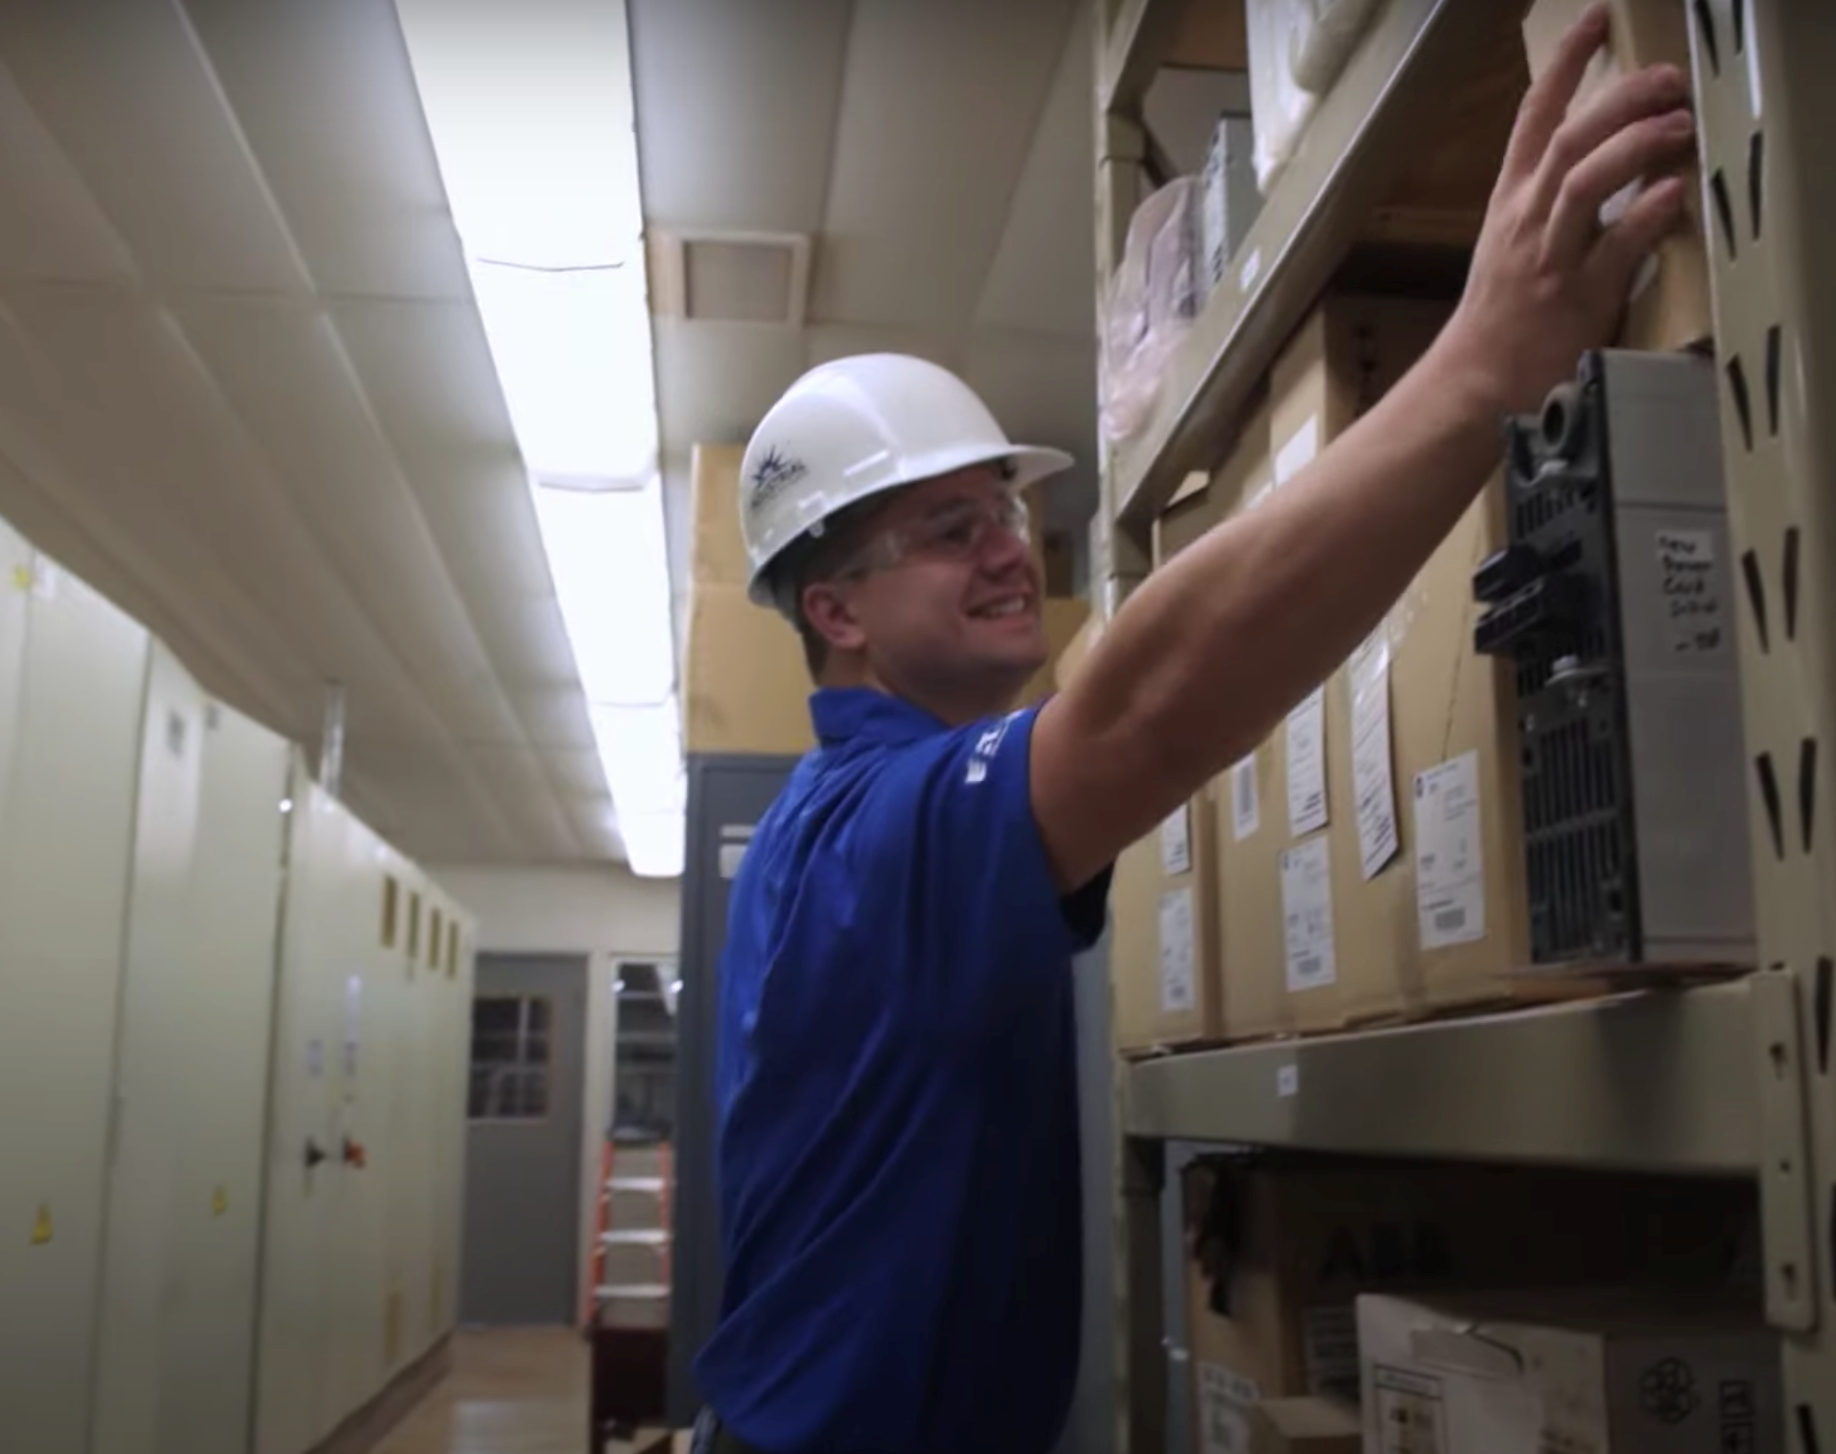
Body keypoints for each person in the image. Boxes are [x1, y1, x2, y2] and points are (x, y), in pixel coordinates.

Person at [688, 8, 1693, 1452]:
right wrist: (1483, 369)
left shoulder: (873, 825)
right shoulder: (863, 837)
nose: (1006, 552)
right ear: (834, 611)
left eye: (1010, 516)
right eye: (945, 527)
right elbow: (1139, 704)